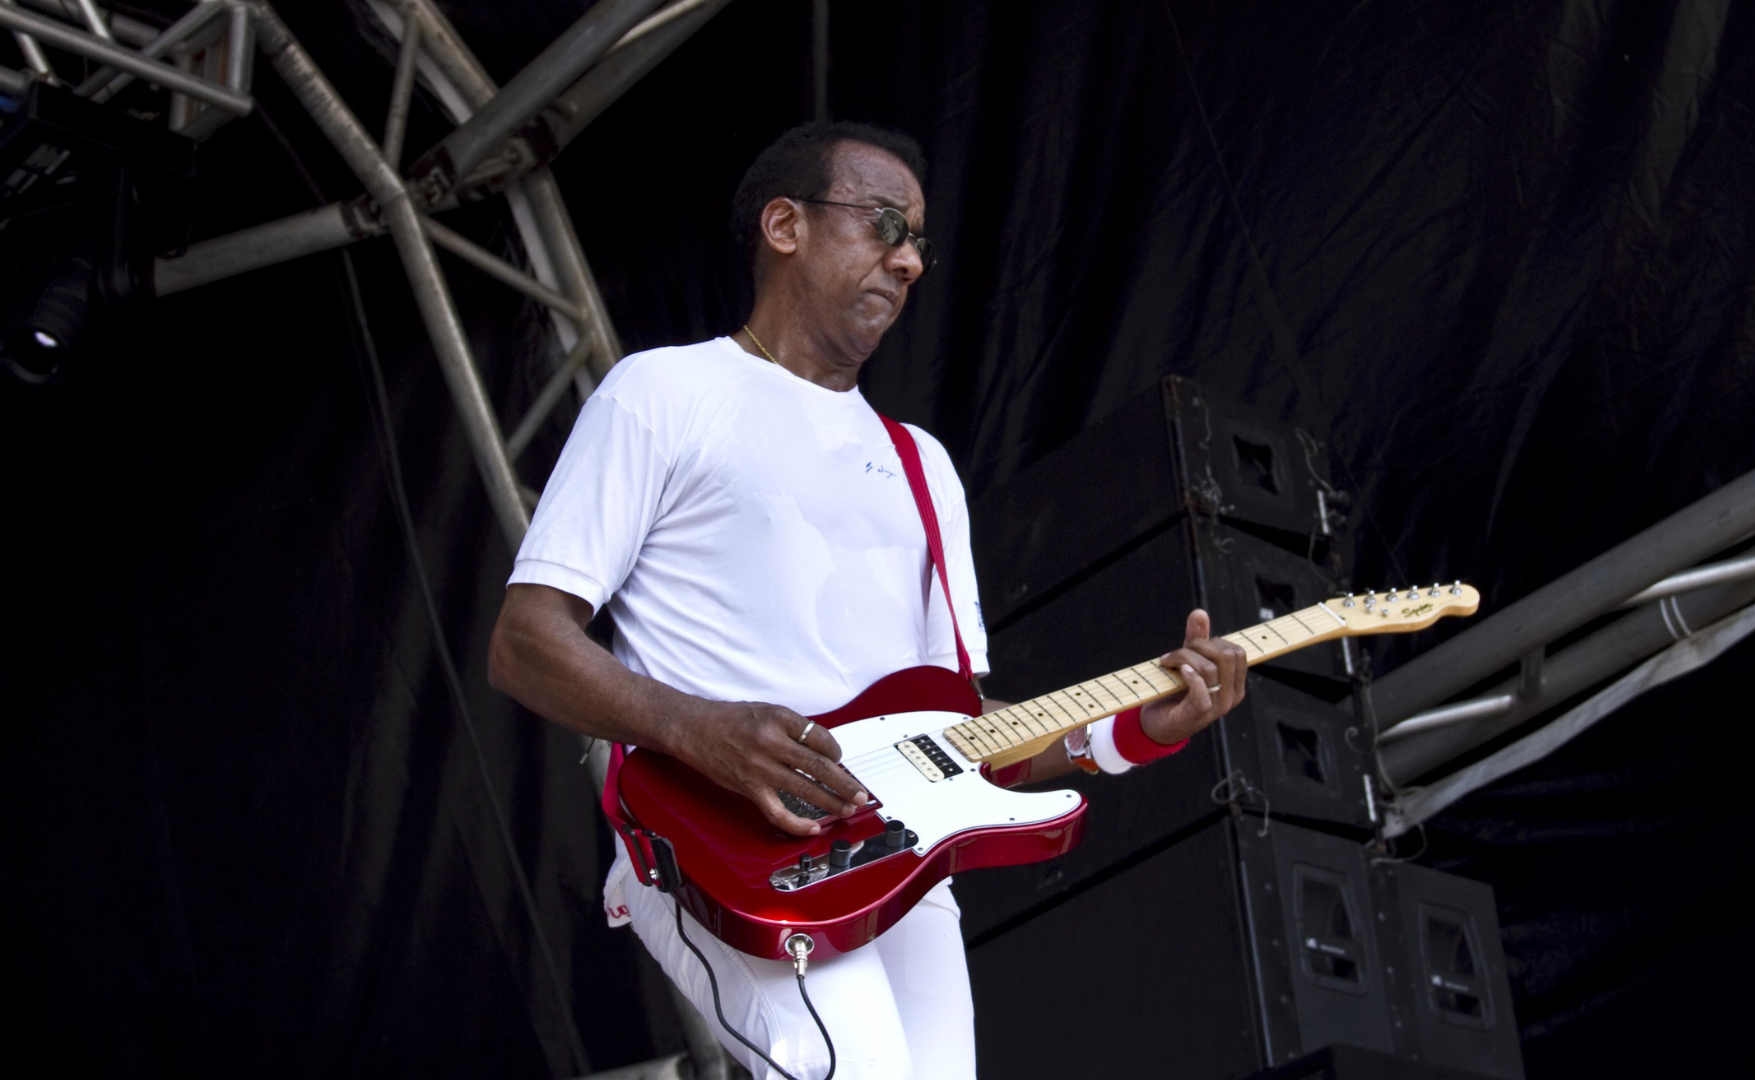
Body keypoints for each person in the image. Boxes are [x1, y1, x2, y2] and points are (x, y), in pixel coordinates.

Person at [487, 121, 1249, 1080]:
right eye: (885, 225)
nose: (909, 260)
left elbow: (963, 730)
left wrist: (1136, 727)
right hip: (732, 846)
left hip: (896, 853)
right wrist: (700, 730)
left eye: (919, 240)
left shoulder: (921, 464)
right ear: (786, 225)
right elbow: (525, 641)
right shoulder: (664, 392)